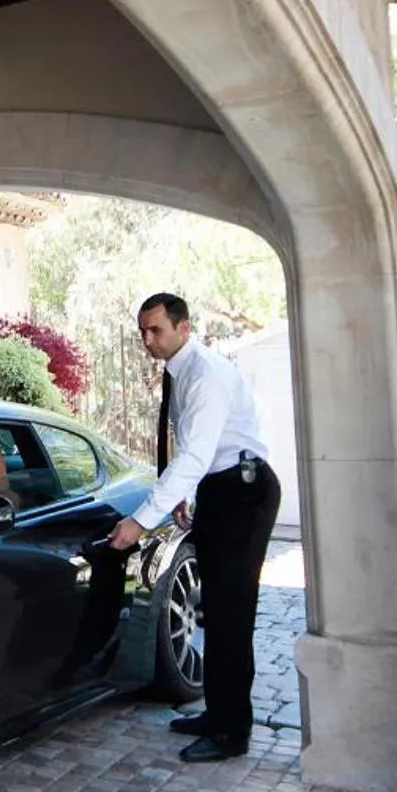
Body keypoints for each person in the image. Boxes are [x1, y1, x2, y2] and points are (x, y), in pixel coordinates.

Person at [108, 292, 281, 762]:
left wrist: (141, 521)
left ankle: (233, 732)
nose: (148, 340)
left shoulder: (204, 376)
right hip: (223, 489)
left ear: (184, 328)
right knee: (216, 611)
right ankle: (217, 713)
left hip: (244, 493)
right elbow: (199, 451)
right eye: (143, 331)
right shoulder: (181, 371)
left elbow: (198, 454)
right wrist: (189, 496)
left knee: (230, 615)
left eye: (156, 330)